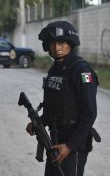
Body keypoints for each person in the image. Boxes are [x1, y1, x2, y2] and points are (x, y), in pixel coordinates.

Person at [26, 21, 100, 176]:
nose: (57, 48)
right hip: (55, 140)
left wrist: (70, 145)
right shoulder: (56, 69)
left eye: (61, 43)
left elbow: (89, 113)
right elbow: (53, 106)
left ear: (70, 43)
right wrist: (39, 122)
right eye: (52, 43)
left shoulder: (81, 70)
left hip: (73, 144)